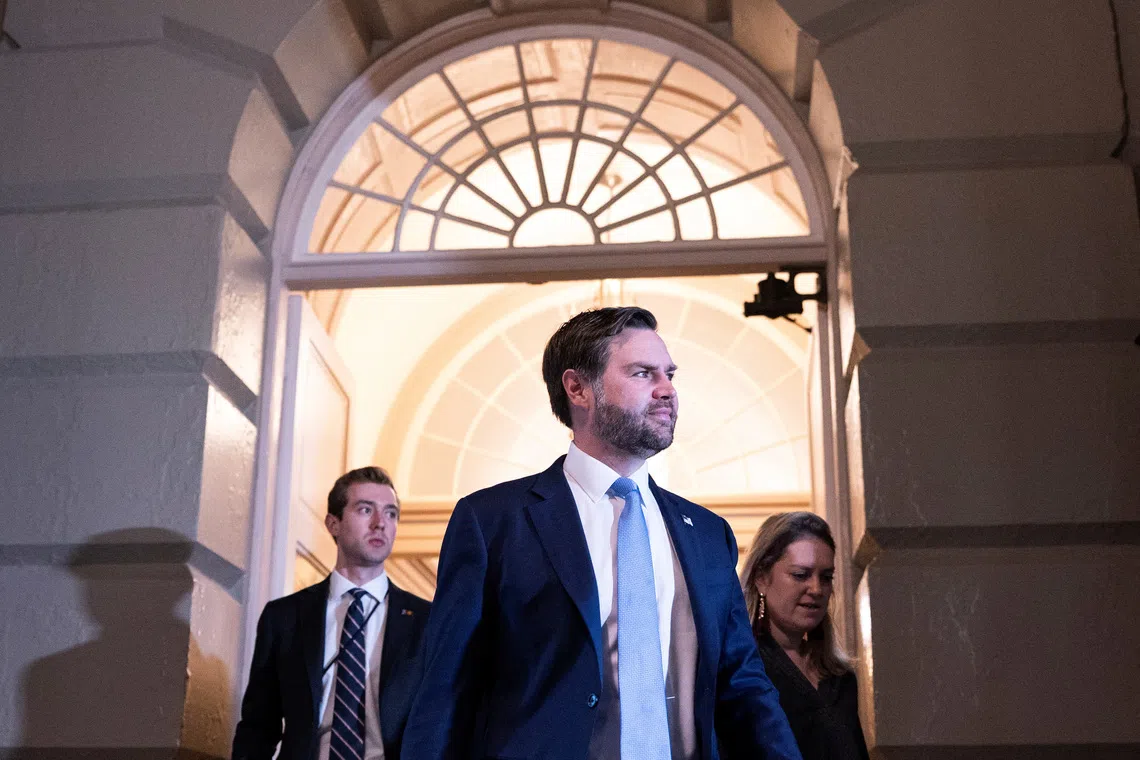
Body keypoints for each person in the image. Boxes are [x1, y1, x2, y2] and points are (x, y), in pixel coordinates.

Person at [402, 306, 801, 760]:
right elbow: (446, 691)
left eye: (669, 374)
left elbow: (744, 687)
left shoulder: (708, 534)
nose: (667, 390)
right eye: (642, 373)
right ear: (578, 388)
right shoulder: (492, 521)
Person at [233, 466, 431, 760]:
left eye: (391, 513)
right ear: (333, 524)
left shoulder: (427, 620)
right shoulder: (284, 617)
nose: (381, 524)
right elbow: (258, 727)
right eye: (366, 510)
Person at [739, 512, 870, 760]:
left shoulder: (839, 679)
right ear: (761, 578)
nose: (817, 589)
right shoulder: (743, 671)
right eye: (801, 575)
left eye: (826, 577)